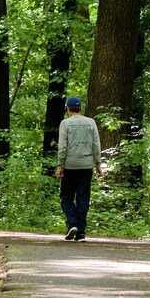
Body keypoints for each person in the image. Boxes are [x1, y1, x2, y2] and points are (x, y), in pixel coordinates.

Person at [56, 97, 103, 242]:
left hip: (70, 165)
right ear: (80, 108)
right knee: (83, 197)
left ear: (68, 109)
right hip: (86, 165)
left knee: (66, 197)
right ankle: (81, 232)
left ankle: (73, 223)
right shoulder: (91, 122)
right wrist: (98, 164)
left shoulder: (65, 123)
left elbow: (62, 146)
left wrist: (60, 165)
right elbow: (96, 144)